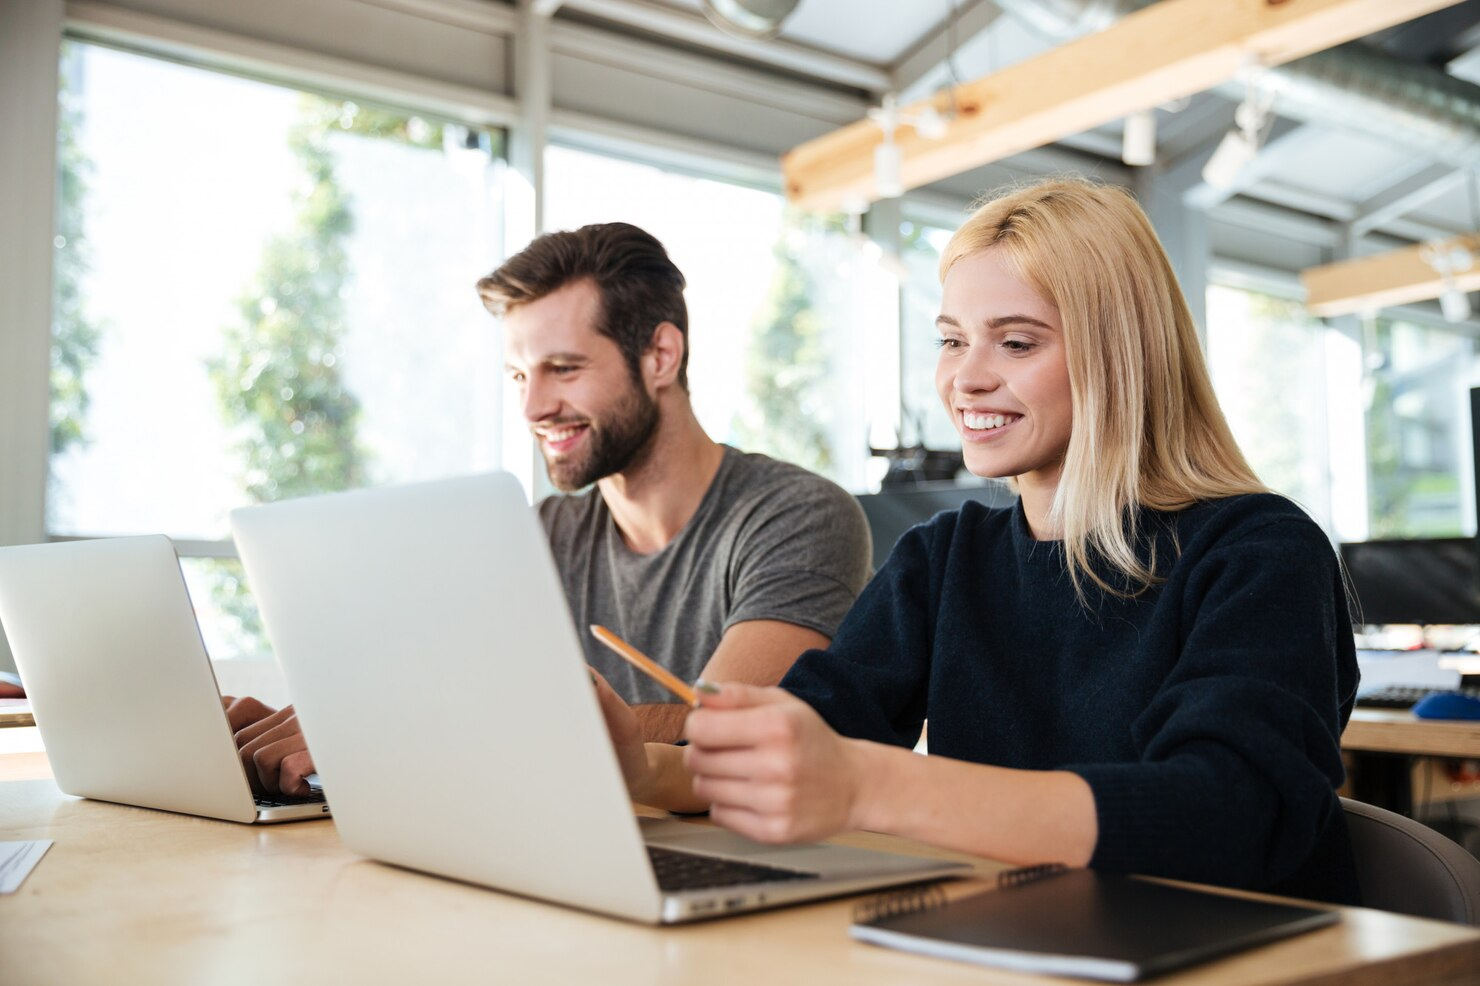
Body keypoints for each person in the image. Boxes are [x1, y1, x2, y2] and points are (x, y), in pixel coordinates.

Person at [592, 178, 1362, 905]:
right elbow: (805, 742)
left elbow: (1226, 814)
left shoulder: (1260, 551)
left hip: (1224, 953)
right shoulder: (947, 556)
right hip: (1016, 938)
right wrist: (643, 766)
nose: (965, 379)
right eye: (952, 340)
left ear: (1120, 357)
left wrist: (872, 786)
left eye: (1017, 344)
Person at [230, 222, 872, 794]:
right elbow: (444, 694)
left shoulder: (801, 516)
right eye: (518, 375)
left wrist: (456, 726)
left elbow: (716, 727)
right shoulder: (540, 534)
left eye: (562, 369)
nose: (533, 407)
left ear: (660, 356)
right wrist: (344, 723)